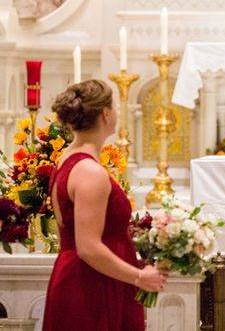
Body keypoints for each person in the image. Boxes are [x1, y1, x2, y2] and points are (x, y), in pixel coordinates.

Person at [43, 79, 167, 331]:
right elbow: (88, 247)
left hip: (92, 277)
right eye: (115, 107)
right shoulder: (90, 171)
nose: (117, 113)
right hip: (91, 286)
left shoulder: (67, 157)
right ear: (106, 114)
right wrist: (140, 277)